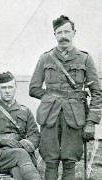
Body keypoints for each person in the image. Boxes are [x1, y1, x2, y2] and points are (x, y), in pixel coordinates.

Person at [29, 15, 102, 180]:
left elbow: (97, 92)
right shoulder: (45, 58)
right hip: (50, 116)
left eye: (67, 31)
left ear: (74, 33)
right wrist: (51, 97)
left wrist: (91, 122)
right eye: (59, 32)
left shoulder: (85, 58)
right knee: (50, 160)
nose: (63, 36)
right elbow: (33, 88)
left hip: (75, 117)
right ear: (54, 35)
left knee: (70, 161)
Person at [0, 71, 42, 180]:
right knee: (20, 155)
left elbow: (35, 135)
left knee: (18, 170)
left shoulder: (25, 111)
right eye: (3, 88)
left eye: (10, 87)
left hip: (19, 153)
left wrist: (21, 144)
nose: (7, 91)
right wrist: (2, 141)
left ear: (16, 88)